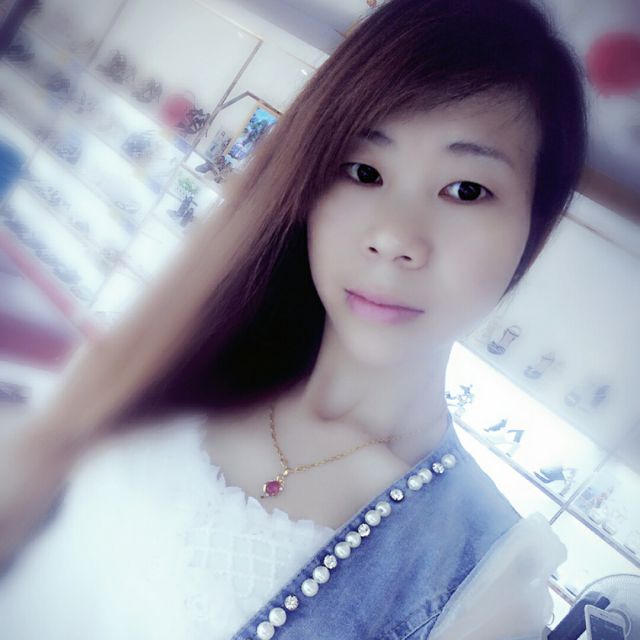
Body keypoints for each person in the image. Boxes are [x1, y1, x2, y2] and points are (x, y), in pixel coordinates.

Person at [0, 0, 586, 638]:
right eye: (363, 171)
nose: (394, 237)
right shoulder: (176, 354)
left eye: (466, 190)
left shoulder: (481, 591)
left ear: (533, 227)